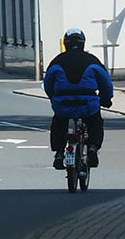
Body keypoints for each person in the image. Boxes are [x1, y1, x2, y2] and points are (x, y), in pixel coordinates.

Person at [44, 28, 112, 169]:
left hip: (63, 104)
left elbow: (48, 83)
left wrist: (52, 98)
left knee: (58, 123)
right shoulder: (92, 60)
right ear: (83, 43)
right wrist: (106, 99)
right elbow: (105, 82)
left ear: (66, 43)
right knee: (95, 123)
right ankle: (93, 147)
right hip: (87, 104)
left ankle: (59, 153)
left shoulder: (57, 61)